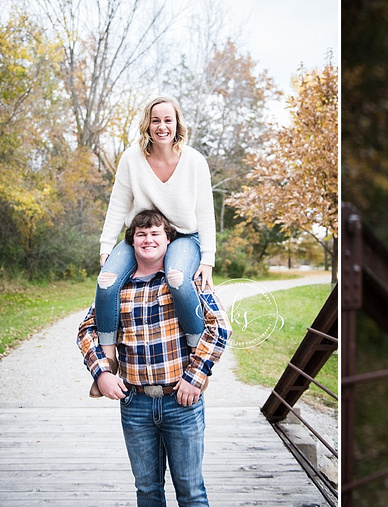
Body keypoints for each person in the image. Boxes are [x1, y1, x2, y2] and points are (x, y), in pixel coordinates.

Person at [78, 209, 230, 506]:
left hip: (181, 401)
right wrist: (102, 374)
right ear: (132, 242)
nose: (148, 239)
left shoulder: (187, 280)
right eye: (141, 234)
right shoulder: (116, 288)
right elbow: (87, 330)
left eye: (155, 233)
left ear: (169, 239)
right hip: (135, 404)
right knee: (147, 490)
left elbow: (220, 327)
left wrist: (195, 376)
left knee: (191, 491)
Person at [92, 96, 217, 396]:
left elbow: (205, 212)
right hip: (143, 233)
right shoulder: (131, 159)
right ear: (147, 124)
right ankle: (109, 360)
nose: (162, 126)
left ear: (177, 124)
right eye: (156, 120)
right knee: (106, 282)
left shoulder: (195, 161)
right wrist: (106, 245)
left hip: (185, 237)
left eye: (168, 120)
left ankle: (198, 362)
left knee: (176, 279)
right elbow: (117, 204)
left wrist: (208, 258)